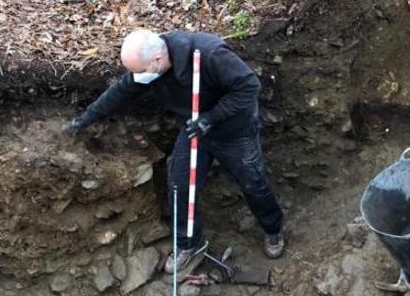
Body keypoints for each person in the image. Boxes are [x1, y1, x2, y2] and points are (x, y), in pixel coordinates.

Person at [65, 29, 284, 272]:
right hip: (194, 130)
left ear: (157, 60)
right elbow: (120, 92)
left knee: (253, 181)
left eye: (139, 71)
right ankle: (188, 244)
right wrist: (84, 119)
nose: (136, 77)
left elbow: (248, 86)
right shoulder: (149, 68)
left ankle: (272, 229)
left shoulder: (209, 54)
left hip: (234, 130)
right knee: (180, 185)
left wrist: (210, 118)